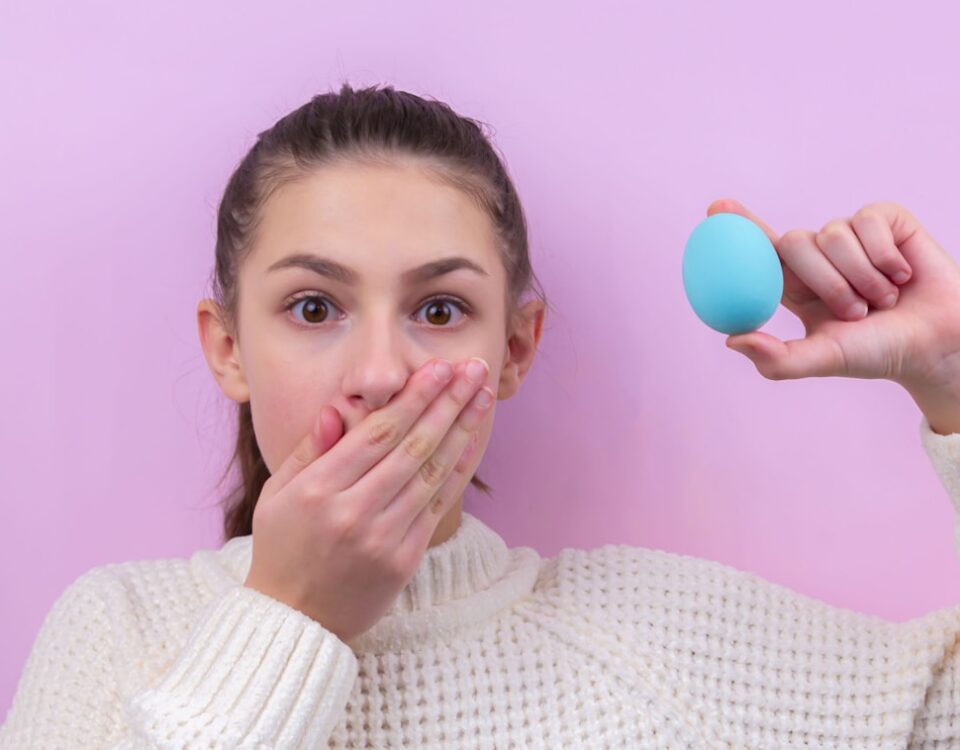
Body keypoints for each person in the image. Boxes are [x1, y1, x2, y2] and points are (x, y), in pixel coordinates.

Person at [2, 82, 960, 749]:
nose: (380, 374)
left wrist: (954, 384)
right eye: (313, 308)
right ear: (227, 348)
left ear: (514, 349)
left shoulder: (660, 638)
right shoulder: (119, 632)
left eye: (439, 310)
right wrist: (292, 617)